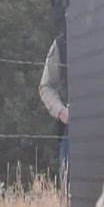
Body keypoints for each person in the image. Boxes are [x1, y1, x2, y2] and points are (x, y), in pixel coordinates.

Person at [38, 37, 67, 180]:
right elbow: (46, 86)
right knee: (72, 194)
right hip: (73, 131)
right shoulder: (62, 43)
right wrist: (61, 112)